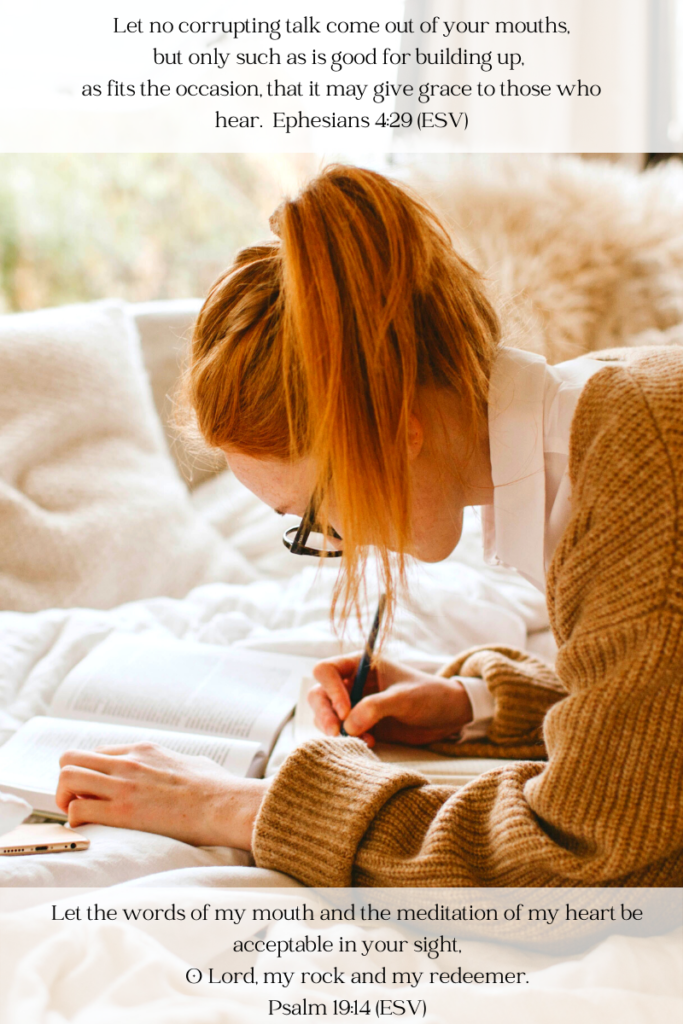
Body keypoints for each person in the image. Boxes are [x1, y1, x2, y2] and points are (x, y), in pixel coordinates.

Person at [56, 165, 683, 886]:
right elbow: (653, 713)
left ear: (393, 433)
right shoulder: (604, 418)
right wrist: (473, 706)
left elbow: (579, 849)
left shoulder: (635, 471)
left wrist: (240, 807)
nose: (336, 543)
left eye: (316, 514)